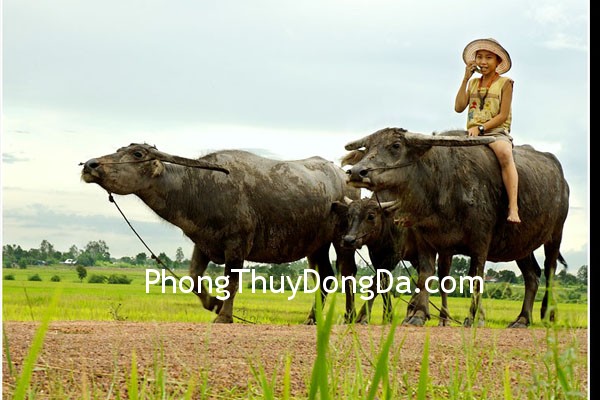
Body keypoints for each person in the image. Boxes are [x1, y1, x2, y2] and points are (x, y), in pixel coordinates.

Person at [454, 38, 521, 224]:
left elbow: (503, 114)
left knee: (505, 154)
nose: (483, 62)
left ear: (498, 62)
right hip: (472, 133)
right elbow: (459, 107)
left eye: (488, 58)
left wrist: (482, 128)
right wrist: (466, 78)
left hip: (496, 132)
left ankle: (513, 207)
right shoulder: (473, 83)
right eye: (480, 57)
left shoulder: (506, 83)